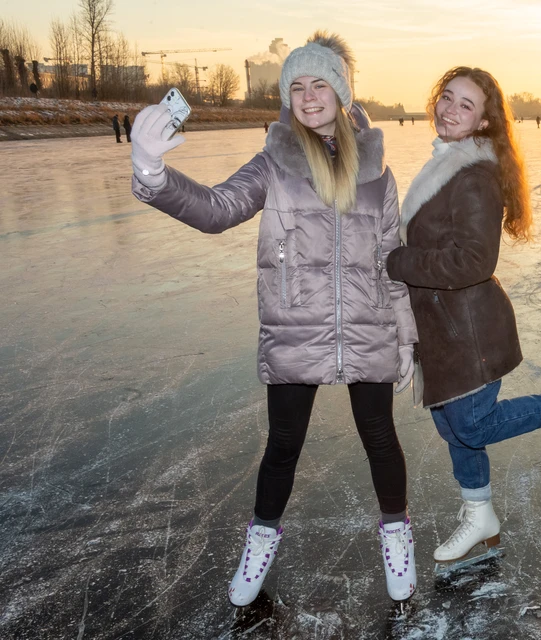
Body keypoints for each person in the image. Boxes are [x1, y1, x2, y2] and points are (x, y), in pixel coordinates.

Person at [129, 33, 419, 605]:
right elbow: (216, 210)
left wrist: (406, 330)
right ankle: (260, 543)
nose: (309, 97)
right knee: (283, 443)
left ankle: (397, 535)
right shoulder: (274, 163)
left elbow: (393, 254)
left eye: (320, 84)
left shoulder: (377, 173)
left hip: (368, 325)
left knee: (380, 437)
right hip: (295, 326)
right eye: (297, 86)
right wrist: (152, 173)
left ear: (342, 91)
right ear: (287, 97)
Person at [385, 66, 541, 570]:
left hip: (467, 330)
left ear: (483, 123)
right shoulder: (448, 163)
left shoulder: (474, 177)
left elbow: (474, 260)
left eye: (466, 106)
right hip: (443, 328)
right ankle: (480, 515)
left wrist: (396, 261)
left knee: (472, 426)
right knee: (451, 427)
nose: (450, 110)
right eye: (447, 98)